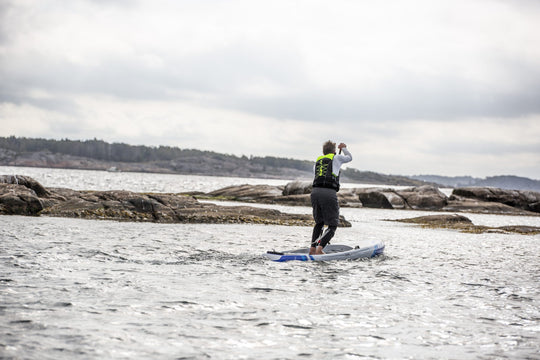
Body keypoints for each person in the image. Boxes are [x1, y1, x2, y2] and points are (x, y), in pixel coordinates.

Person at [309, 140, 352, 255]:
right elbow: (349, 157)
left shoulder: (317, 162)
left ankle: (312, 249)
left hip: (315, 192)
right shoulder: (336, 158)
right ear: (334, 151)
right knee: (332, 224)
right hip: (328, 193)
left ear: (324, 152)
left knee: (319, 223)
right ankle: (320, 249)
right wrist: (343, 148)